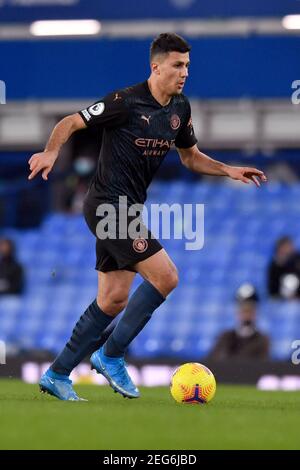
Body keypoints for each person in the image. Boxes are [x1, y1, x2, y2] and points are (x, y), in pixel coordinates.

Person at [28, 33, 267, 401]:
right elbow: (71, 122)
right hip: (108, 205)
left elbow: (190, 157)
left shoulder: (179, 110)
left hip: (129, 209)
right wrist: (50, 152)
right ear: (156, 67)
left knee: (112, 300)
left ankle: (58, 374)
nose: (184, 72)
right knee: (167, 276)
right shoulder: (124, 102)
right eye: (177, 65)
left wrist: (229, 169)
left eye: (187, 65)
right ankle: (111, 355)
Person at [209, 284, 269, 360]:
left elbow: (261, 364)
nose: (246, 315)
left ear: (255, 312)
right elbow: (213, 361)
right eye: (243, 310)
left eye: (249, 310)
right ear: (237, 312)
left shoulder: (262, 340)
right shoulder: (225, 337)